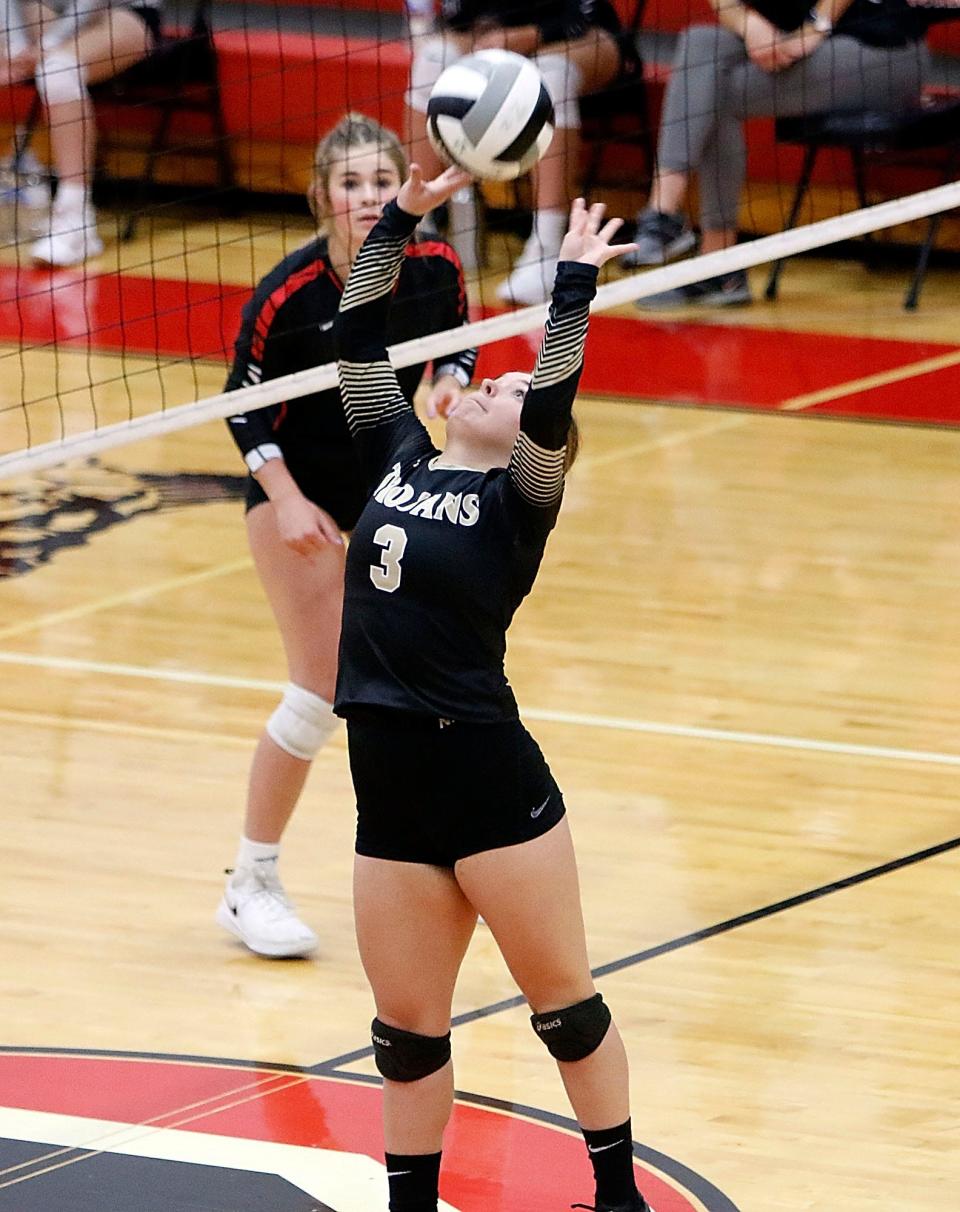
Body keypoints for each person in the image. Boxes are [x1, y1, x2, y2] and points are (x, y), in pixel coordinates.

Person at [333, 166, 655, 1212]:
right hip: (386, 782)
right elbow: (354, 336)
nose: (492, 383)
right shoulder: (394, 452)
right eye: (492, 378)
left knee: (561, 1006)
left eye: (512, 390)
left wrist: (572, 290)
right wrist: (401, 215)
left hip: (484, 773)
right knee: (404, 1035)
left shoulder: (523, 495)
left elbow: (554, 400)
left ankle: (618, 1200)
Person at [218, 114, 477, 959]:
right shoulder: (289, 294)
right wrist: (287, 499)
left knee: (423, 676)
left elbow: (458, 350)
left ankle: (439, 863)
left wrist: (446, 383)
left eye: (380, 181)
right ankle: (250, 882)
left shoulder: (435, 266)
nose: (368, 198)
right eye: (351, 183)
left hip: (388, 489)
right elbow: (240, 404)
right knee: (321, 688)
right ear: (321, 196)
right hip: (295, 491)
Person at [626, 0, 933, 308]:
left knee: (715, 95)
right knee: (700, 43)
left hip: (884, 52)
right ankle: (664, 216)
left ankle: (717, 264)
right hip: (797, 42)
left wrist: (816, 26)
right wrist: (748, 24)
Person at [405, 0, 631, 305]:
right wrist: (488, 39)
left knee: (548, 75)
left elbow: (582, 15)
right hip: (496, 44)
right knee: (434, 58)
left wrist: (531, 36)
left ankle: (547, 250)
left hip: (583, 38)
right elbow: (454, 18)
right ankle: (413, 229)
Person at [0, 0, 160, 265]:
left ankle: (76, 222)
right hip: (47, 13)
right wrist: (14, 49)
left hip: (121, 15)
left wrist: (48, 47)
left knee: (58, 71)